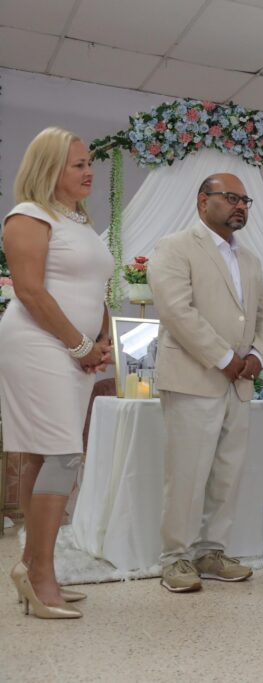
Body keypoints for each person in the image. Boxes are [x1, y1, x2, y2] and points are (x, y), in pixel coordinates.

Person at [0, 127, 113, 618]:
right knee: (64, 453)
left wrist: (102, 337)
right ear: (49, 169)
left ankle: (31, 566)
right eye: (78, 164)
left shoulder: (80, 222)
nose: (89, 172)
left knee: (45, 454)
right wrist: (80, 344)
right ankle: (41, 574)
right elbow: (30, 291)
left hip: (73, 350)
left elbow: (94, 289)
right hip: (38, 346)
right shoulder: (28, 215)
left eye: (89, 163)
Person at [149, 173, 263, 593]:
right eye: (231, 197)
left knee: (227, 474)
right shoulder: (175, 247)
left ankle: (211, 552)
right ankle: (175, 558)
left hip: (239, 382)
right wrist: (225, 358)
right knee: (187, 474)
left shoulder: (250, 260)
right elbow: (176, 310)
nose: (240, 206)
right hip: (194, 377)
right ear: (203, 201)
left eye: (245, 200)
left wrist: (257, 356)